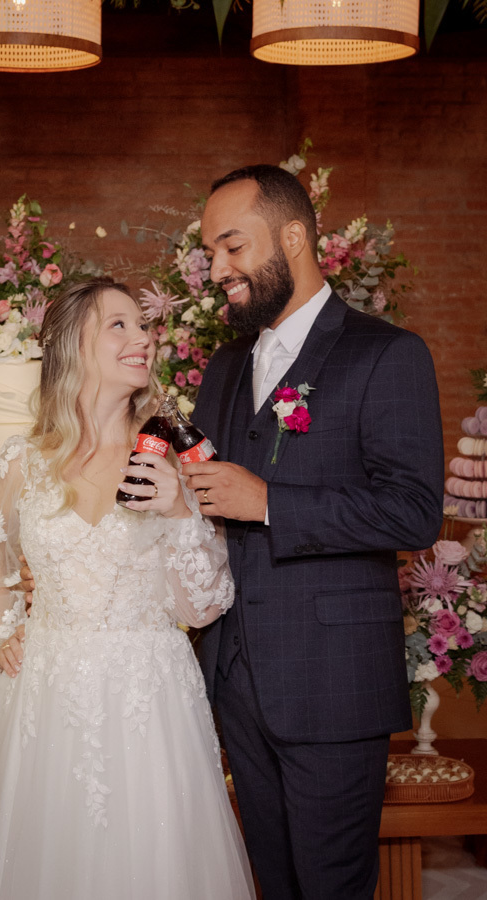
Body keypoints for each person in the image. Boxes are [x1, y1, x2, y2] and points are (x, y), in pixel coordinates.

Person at [0, 279, 255, 900]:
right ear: (72, 345)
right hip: (47, 692)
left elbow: (202, 603)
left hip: (150, 697)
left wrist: (179, 509)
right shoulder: (24, 461)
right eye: (118, 324)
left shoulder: (175, 464)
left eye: (143, 325)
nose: (143, 337)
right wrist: (2, 627)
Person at [180, 165, 444, 899]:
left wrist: (269, 501)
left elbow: (412, 510)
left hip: (332, 682)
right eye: (211, 253)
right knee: (273, 880)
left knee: (330, 885)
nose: (218, 269)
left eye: (232, 247)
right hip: (236, 676)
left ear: (294, 237)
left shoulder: (386, 353)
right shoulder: (226, 367)